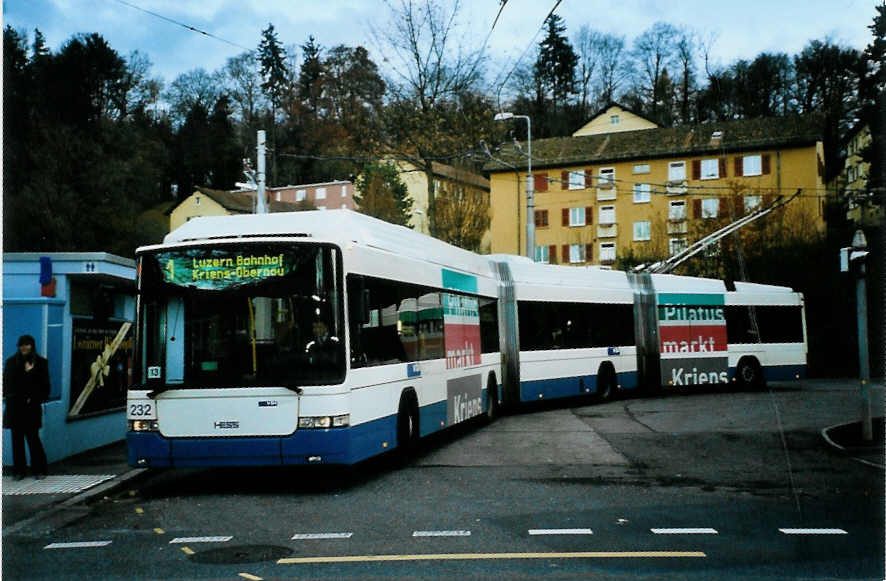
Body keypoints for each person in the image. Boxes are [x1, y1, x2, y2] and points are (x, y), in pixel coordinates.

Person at [3, 335, 50, 480]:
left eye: (27, 345)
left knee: (33, 439)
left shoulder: (41, 363)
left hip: (31, 407)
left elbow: (45, 386)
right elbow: (6, 384)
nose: (24, 347)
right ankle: (19, 471)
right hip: (16, 407)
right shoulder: (11, 362)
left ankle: (39, 470)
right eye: (21, 345)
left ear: (32, 346)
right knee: (16, 441)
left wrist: (31, 374)